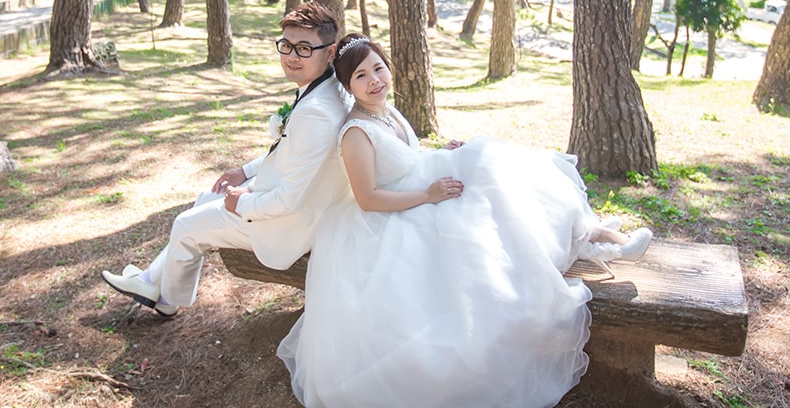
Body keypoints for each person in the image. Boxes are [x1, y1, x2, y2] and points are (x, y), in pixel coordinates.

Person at [277, 34, 652, 408]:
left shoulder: (385, 110)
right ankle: (585, 236)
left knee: (487, 161)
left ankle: (588, 232)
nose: (374, 80)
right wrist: (428, 195)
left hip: (418, 186)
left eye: (378, 68)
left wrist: (440, 152)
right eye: (361, 76)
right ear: (347, 85)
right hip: (389, 216)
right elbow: (368, 198)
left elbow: (403, 158)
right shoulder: (355, 132)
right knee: (480, 205)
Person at [101, 1, 350, 317]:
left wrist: (242, 204)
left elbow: (289, 200)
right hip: (298, 202)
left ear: (330, 51)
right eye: (286, 46)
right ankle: (152, 281)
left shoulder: (317, 112)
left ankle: (166, 301)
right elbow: (292, 152)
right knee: (208, 197)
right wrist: (243, 171)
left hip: (289, 225)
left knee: (185, 225)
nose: (291, 56)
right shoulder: (324, 88)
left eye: (304, 48)